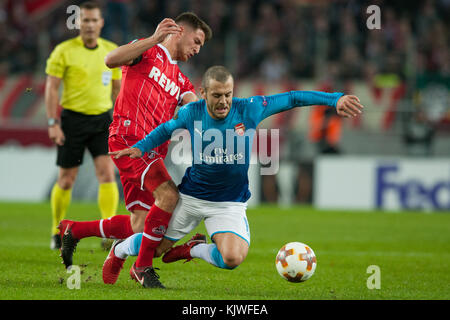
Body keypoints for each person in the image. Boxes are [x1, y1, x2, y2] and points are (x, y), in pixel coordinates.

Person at [104, 65, 364, 286]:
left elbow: (293, 97)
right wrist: (141, 147)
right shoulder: (191, 112)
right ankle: (120, 248)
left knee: (232, 259)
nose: (224, 101)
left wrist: (335, 99)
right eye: (217, 95)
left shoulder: (249, 108)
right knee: (156, 249)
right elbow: (165, 130)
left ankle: (193, 249)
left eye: (228, 94)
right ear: (203, 93)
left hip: (229, 204)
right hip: (192, 197)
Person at [57, 12, 212, 289]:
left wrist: (214, 109)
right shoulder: (147, 50)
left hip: (151, 152)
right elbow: (110, 60)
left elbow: (195, 111)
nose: (198, 49)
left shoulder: (181, 81)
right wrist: (154, 38)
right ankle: (142, 268)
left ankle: (75, 229)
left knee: (141, 224)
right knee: (168, 195)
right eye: (197, 40)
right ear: (180, 31)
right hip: (129, 141)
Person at [45, 1, 121, 250]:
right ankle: (58, 229)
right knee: (67, 179)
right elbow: (52, 88)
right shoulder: (64, 51)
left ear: (101, 23)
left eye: (93, 20)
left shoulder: (111, 52)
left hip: (101, 120)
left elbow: (118, 93)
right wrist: (53, 122)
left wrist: (120, 123)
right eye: (85, 20)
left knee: (107, 174)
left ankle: (108, 232)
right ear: (78, 23)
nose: (89, 25)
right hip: (72, 120)